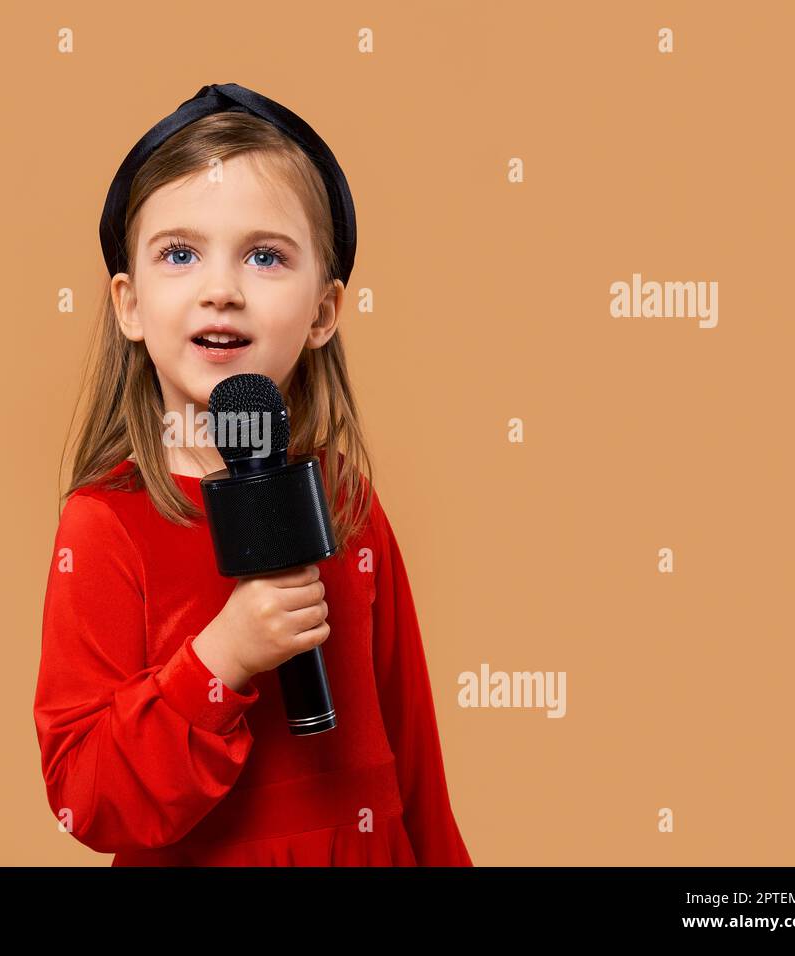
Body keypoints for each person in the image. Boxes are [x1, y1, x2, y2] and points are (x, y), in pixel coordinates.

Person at [34, 83, 472, 866]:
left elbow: (417, 765)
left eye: (265, 256)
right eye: (180, 253)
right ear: (129, 306)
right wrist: (222, 658)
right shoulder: (105, 525)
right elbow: (86, 794)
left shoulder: (344, 502)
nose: (222, 290)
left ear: (323, 312)